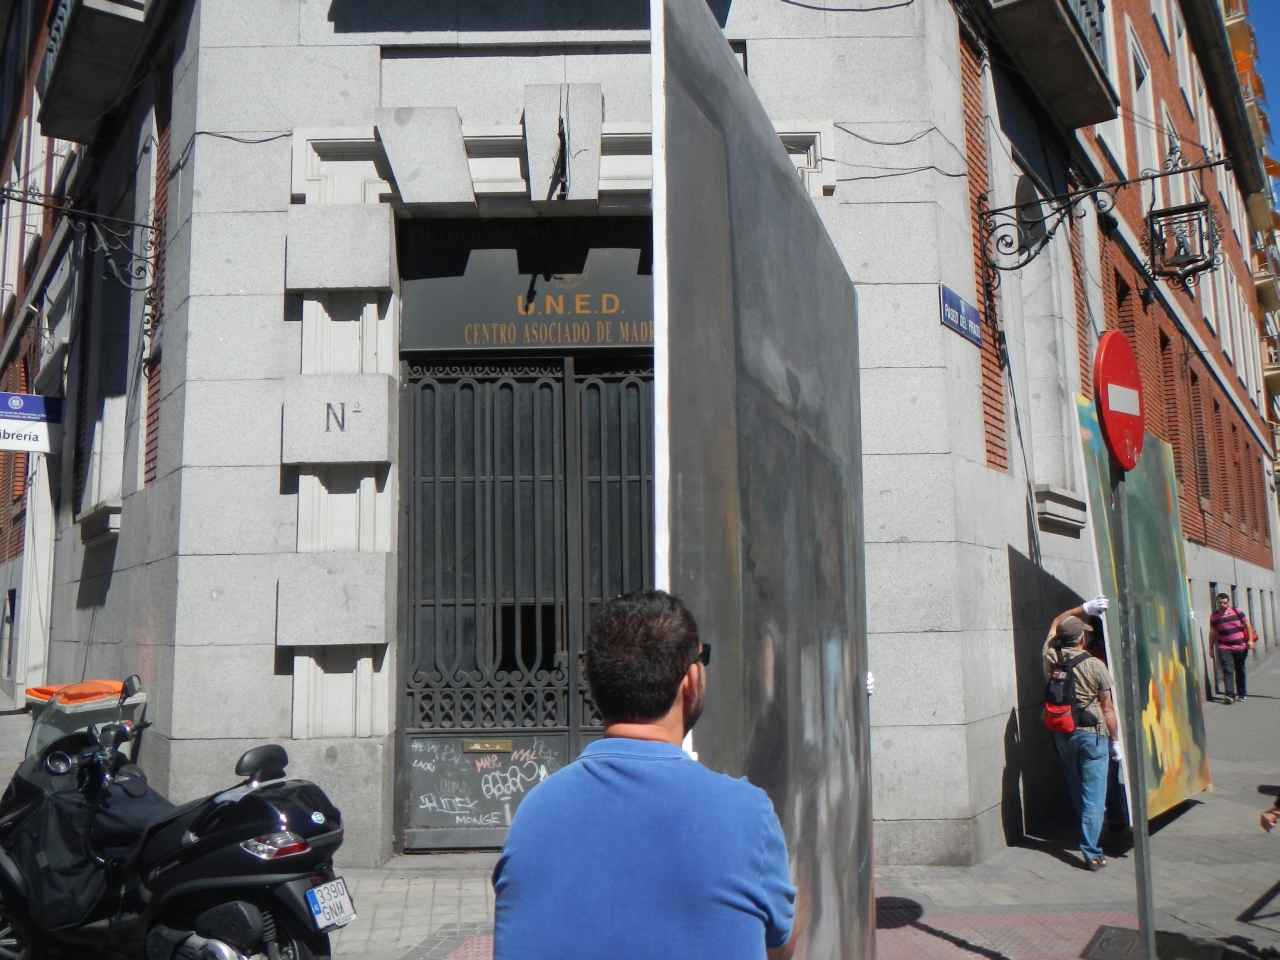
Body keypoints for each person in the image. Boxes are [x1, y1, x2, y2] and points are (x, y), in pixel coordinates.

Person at [492, 590, 796, 960]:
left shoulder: (534, 814)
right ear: (691, 680)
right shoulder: (748, 815)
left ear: (595, 686)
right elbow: (779, 942)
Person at [1043, 597, 1120, 871]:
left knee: (1075, 783)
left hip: (1062, 731)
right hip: (1093, 733)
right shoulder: (1096, 665)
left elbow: (1056, 622)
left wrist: (1084, 608)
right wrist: (1115, 741)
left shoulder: (1050, 657)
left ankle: (1088, 826)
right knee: (1094, 794)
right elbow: (1107, 709)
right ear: (1081, 640)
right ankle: (1091, 851)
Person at [1208, 592, 1254, 703]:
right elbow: (1212, 632)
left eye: (1225, 603)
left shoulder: (1237, 611)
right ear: (1217, 602)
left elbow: (1247, 625)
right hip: (1224, 647)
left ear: (1228, 602)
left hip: (1240, 647)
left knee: (1239, 669)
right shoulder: (1214, 616)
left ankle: (1241, 693)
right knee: (1227, 670)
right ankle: (1230, 695)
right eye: (1220, 603)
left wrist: (1250, 640)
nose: (1223, 605)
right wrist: (1210, 648)